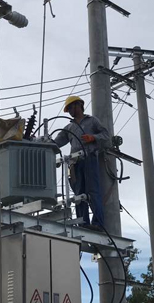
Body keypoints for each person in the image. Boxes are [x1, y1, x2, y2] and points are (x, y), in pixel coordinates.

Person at [53, 95, 109, 229]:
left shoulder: (92, 121)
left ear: (78, 105)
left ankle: (98, 223)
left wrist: (93, 137)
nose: (70, 111)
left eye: (70, 108)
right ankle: (83, 223)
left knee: (92, 191)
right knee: (79, 193)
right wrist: (41, 143)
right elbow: (55, 143)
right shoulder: (69, 127)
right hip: (75, 163)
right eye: (68, 109)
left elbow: (106, 135)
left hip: (89, 159)